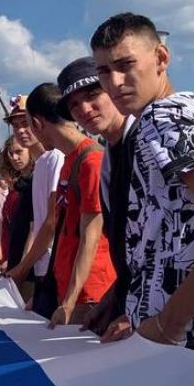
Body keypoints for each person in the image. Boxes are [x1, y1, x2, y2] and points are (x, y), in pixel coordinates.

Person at [92, 13, 194, 363]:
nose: (115, 81)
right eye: (104, 71)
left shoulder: (163, 118)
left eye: (126, 65)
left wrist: (168, 322)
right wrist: (141, 310)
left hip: (191, 340)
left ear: (161, 58)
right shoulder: (183, 109)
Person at [25, 71, 116, 327]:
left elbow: (91, 235)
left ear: (36, 123)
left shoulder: (92, 161)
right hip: (69, 290)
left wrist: (68, 301)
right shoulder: (69, 161)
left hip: (89, 295)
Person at [56, 61, 134, 337]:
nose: (84, 110)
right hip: (132, 306)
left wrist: (164, 319)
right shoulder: (111, 154)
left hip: (191, 325)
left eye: (92, 96)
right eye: (74, 105)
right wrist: (115, 298)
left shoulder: (150, 139)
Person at [2, 95, 65, 316]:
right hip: (42, 269)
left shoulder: (56, 159)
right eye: (15, 125)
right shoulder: (39, 165)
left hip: (54, 270)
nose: (20, 130)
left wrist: (22, 267)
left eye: (25, 122)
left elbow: (52, 222)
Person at [0, 134, 34, 273]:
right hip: (16, 259)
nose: (13, 157)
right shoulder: (22, 185)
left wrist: (22, 267)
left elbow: (35, 227)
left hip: (29, 265)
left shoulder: (33, 183)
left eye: (19, 152)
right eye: (10, 153)